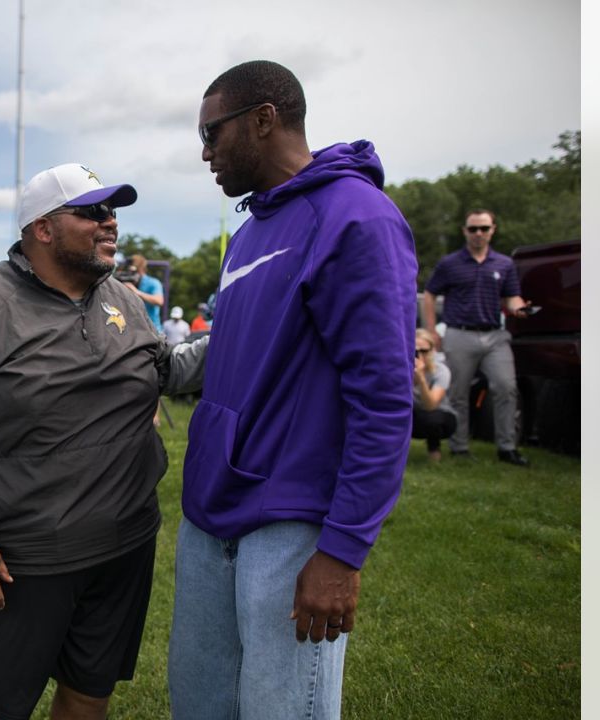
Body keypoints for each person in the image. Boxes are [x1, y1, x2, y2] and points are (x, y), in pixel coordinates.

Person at [0, 162, 206, 720]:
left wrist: (246, 329)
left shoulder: (126, 299)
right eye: (93, 212)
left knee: (91, 691)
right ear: (41, 228)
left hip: (127, 540)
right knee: (2, 706)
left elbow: (166, 373)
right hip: (28, 557)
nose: (110, 223)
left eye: (113, 212)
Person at [170, 60, 417, 720]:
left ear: (263, 120)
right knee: (199, 707)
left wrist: (340, 552)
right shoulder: (248, 232)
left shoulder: (357, 216)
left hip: (289, 524)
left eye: (211, 134)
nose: (204, 154)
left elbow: (386, 398)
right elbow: (233, 355)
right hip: (209, 516)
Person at [422, 209, 534, 466]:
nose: (478, 234)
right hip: (459, 334)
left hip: (494, 335)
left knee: (506, 387)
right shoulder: (450, 263)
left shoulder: (504, 264)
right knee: (458, 393)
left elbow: (511, 296)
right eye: (473, 229)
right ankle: (459, 446)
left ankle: (507, 447)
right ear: (465, 231)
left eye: (484, 228)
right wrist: (430, 330)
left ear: (493, 229)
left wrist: (519, 308)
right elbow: (429, 293)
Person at [412, 328, 457, 462]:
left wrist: (420, 378)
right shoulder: (399, 368)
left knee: (433, 418)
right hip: (412, 414)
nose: (419, 356)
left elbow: (431, 405)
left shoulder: (441, 371)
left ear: (432, 351)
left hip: (440, 416)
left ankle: (434, 453)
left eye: (424, 351)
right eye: (414, 351)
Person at [123, 254, 164, 333]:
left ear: (141, 269)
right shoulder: (127, 281)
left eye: (133, 271)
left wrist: (136, 291)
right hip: (132, 331)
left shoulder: (153, 283)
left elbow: (159, 301)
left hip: (152, 331)